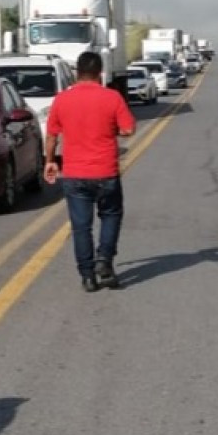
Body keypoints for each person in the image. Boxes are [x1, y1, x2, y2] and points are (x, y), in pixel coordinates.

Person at [44, 52, 136, 292]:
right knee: (111, 215)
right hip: (106, 171)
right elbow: (128, 130)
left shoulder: (62, 99)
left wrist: (50, 161)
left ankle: (87, 276)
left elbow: (52, 136)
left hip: (74, 174)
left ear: (77, 72)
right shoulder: (112, 97)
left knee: (81, 227)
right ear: (100, 72)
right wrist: (111, 129)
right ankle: (104, 259)